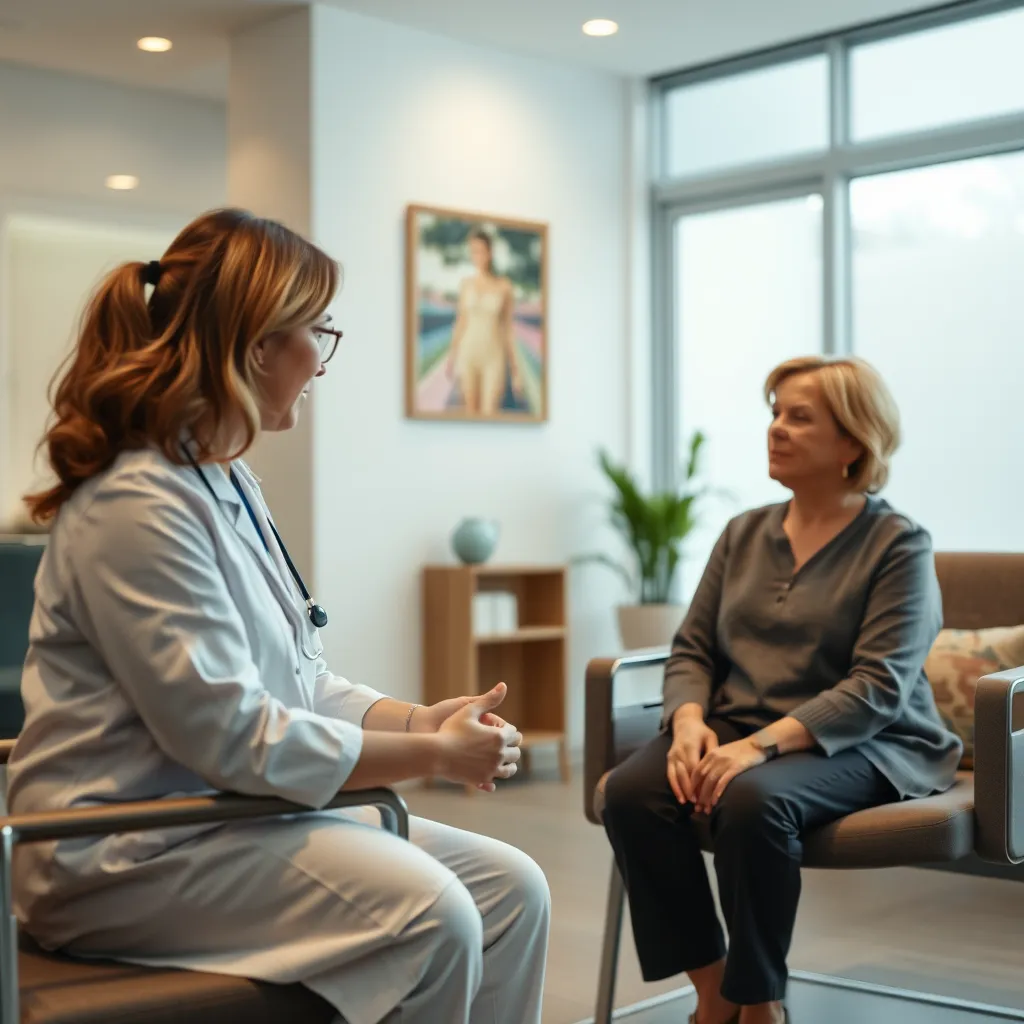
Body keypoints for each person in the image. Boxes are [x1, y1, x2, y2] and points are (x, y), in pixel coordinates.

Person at [6, 208, 550, 1024]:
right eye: (318, 333)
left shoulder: (225, 482)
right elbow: (230, 734)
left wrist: (416, 718)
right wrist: (427, 755)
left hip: (224, 822)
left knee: (515, 889)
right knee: (434, 915)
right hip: (124, 854)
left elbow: (299, 679)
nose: (322, 363)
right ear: (257, 346)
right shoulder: (136, 506)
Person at [600, 355, 962, 1024]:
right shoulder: (743, 533)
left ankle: (758, 999)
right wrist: (686, 723)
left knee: (751, 802)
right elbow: (694, 647)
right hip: (741, 727)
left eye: (800, 418)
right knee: (630, 792)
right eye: (775, 414)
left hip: (868, 743)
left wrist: (755, 750)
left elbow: (878, 686)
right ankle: (712, 993)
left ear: (854, 441)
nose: (777, 429)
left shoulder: (898, 544)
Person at [445, 228, 522, 414]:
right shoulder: (466, 284)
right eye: (473, 251)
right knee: (470, 413)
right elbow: (461, 322)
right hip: (468, 352)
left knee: (490, 413)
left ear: (489, 253)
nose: (477, 255)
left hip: (493, 356)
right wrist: (452, 356)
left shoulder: (503, 286)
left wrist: (515, 369)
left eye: (480, 250)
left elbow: (507, 329)